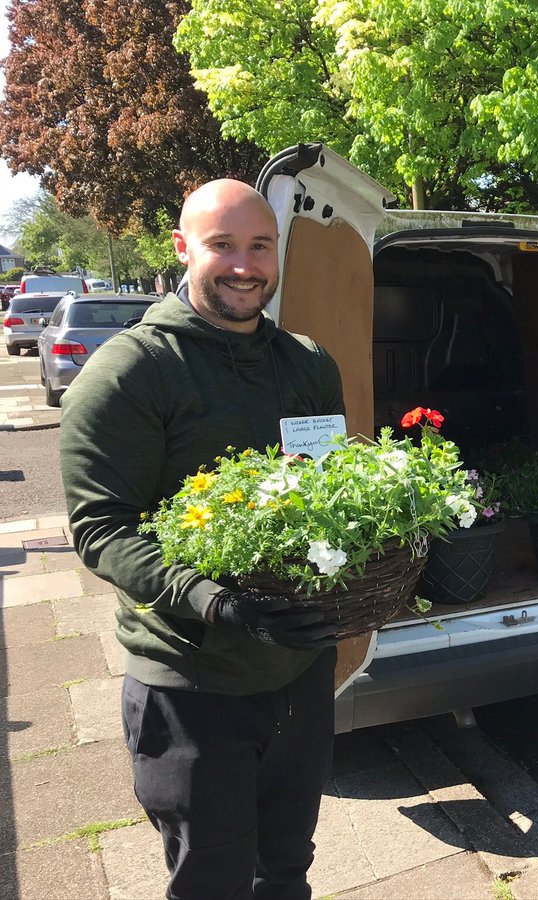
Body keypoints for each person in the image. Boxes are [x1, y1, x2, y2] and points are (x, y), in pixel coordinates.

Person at [60, 179, 345, 899]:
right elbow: (102, 529)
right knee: (211, 879)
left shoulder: (307, 363)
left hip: (299, 671)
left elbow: (327, 488)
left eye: (260, 246)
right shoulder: (132, 371)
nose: (244, 266)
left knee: (287, 866)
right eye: (223, 245)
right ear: (183, 248)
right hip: (193, 685)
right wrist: (217, 602)